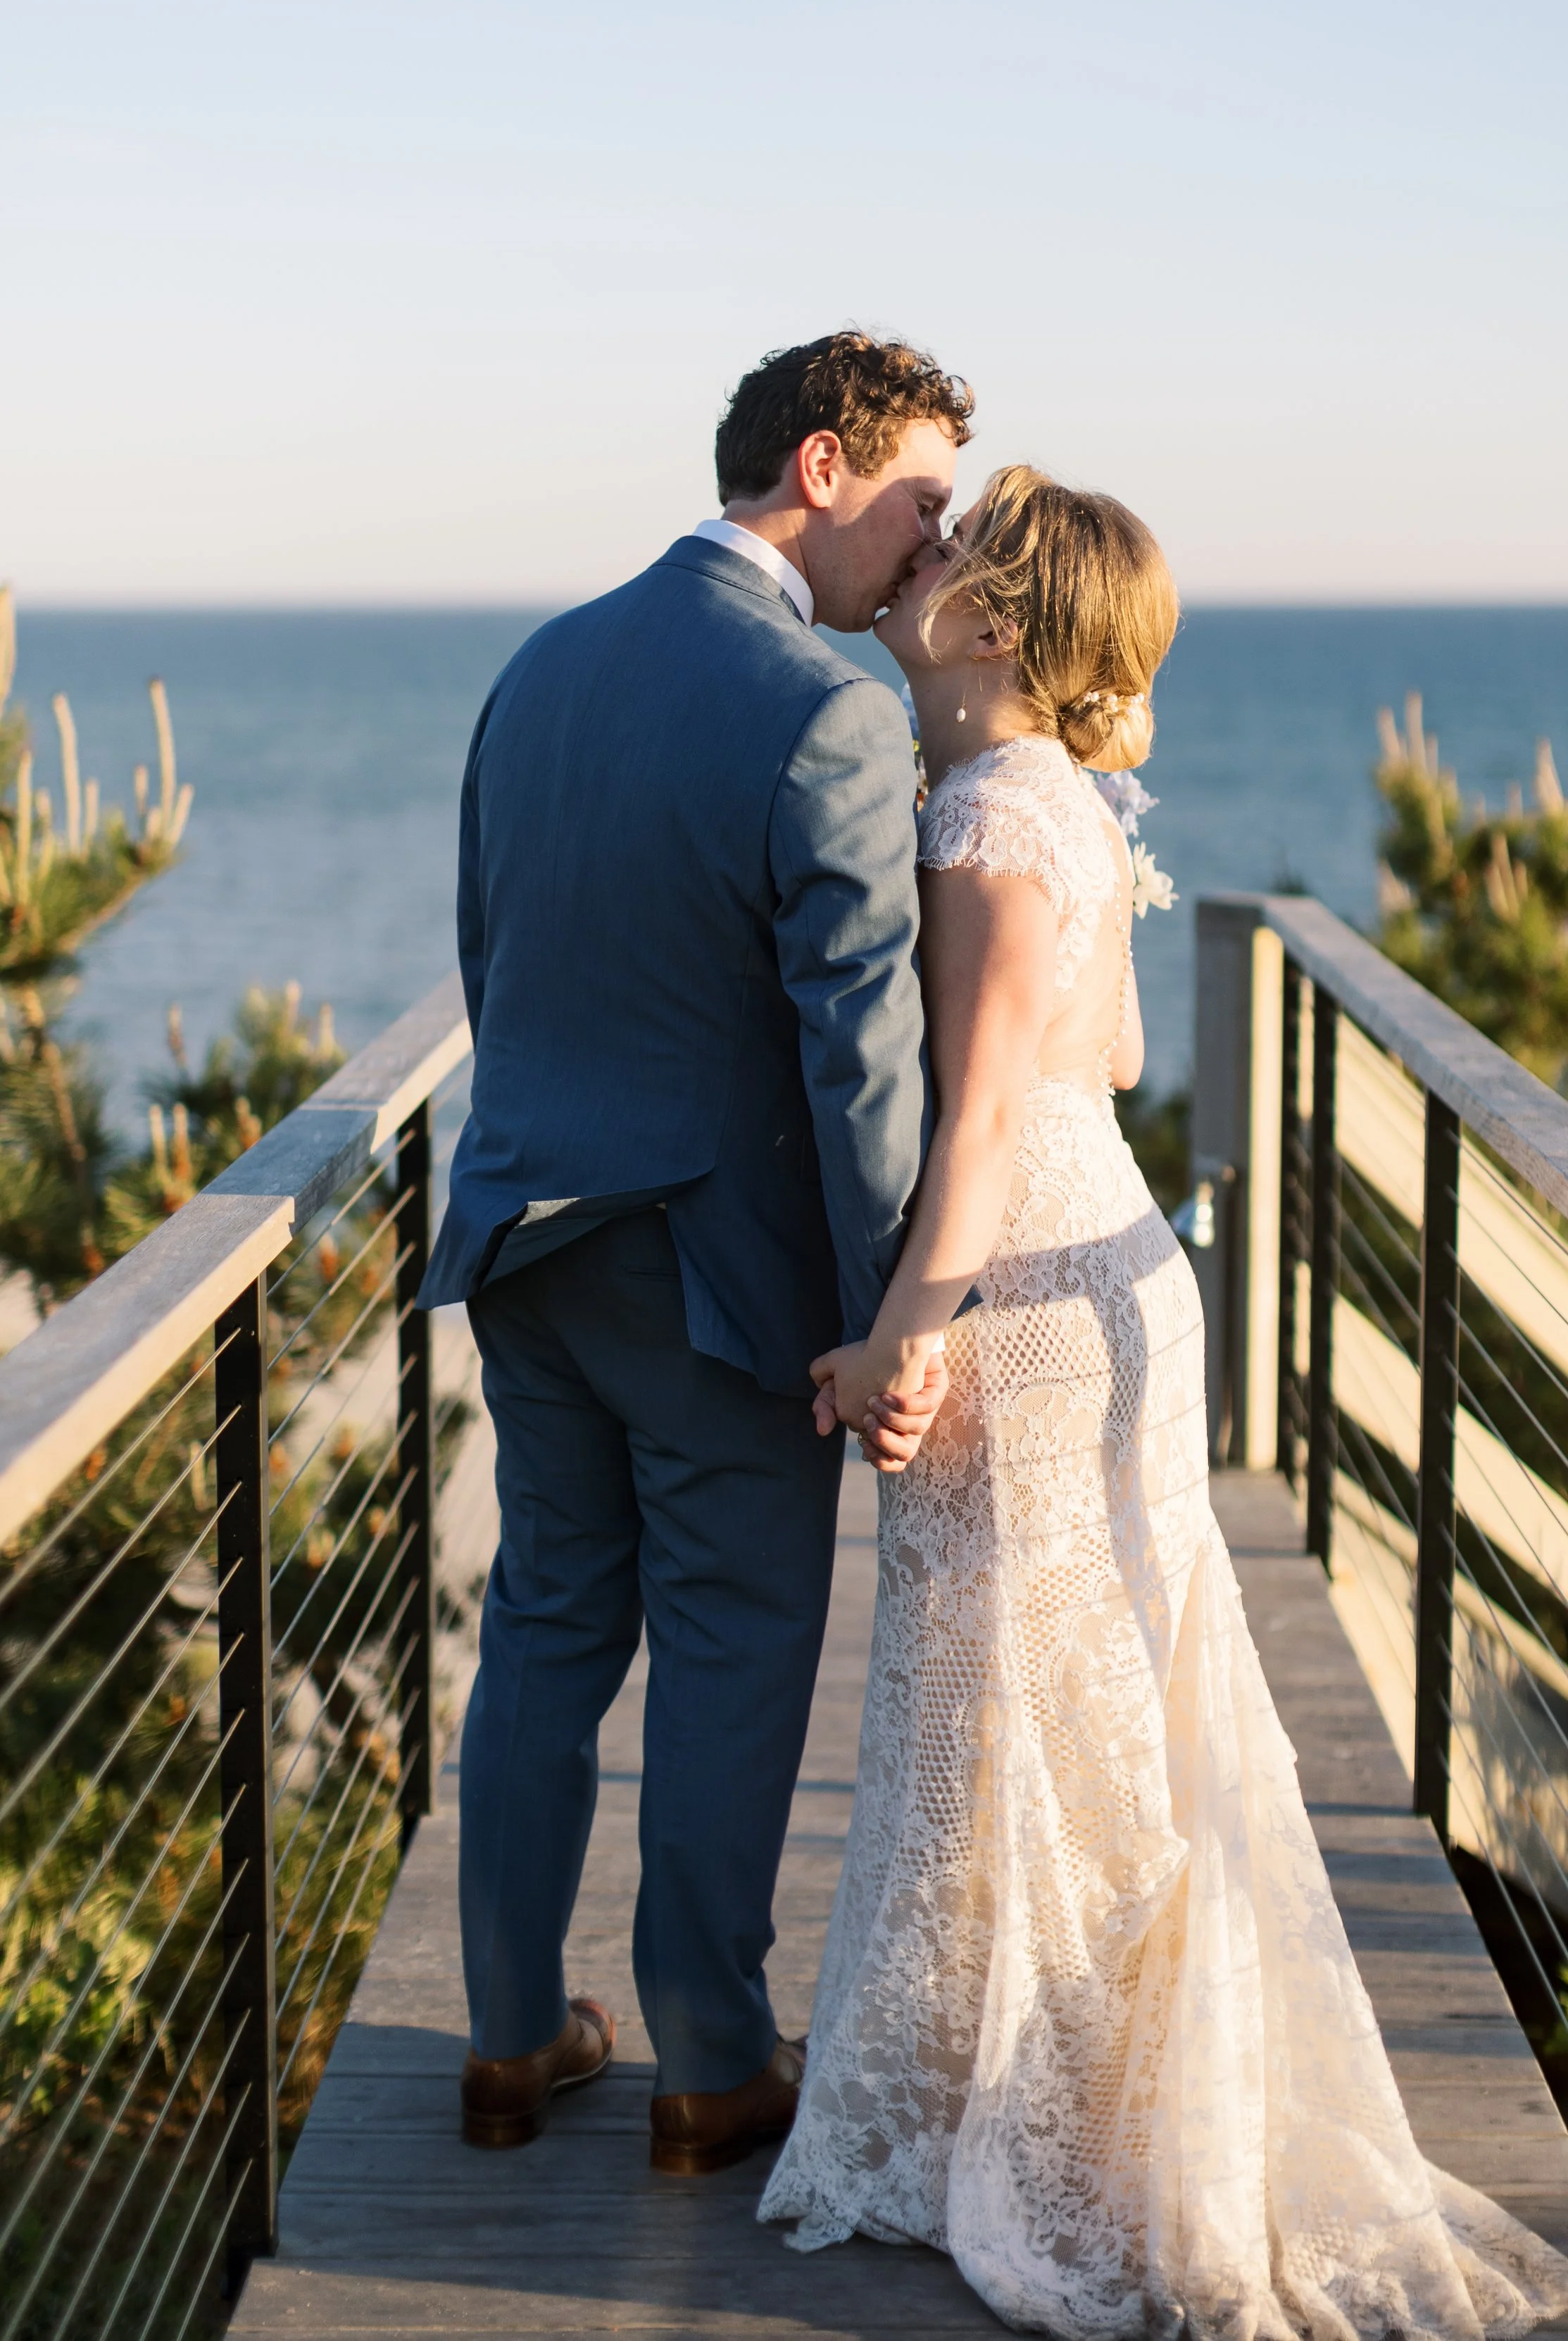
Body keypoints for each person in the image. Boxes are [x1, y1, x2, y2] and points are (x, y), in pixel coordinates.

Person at [760, 468, 1568, 2341]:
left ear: (991, 623)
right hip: (1115, 1254)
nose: (917, 563)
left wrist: (903, 1328)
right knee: (1085, 1684)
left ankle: (1052, 2119)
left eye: (951, 552)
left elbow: (972, 1118)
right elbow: (1115, 1054)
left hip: (1018, 1287)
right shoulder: (1059, 802)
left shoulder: (977, 815)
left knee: (1000, 1697)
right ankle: (1107, 2092)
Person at [419, 332, 968, 2171]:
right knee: (731, 1649)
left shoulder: (537, 664)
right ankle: (710, 2062)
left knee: (548, 1627)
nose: (929, 542)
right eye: (917, 500)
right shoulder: (822, 709)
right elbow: (860, 1047)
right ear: (821, 467)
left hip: (521, 1234)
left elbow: (493, 959)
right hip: (711, 1271)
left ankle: (509, 2038)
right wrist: (899, 1305)